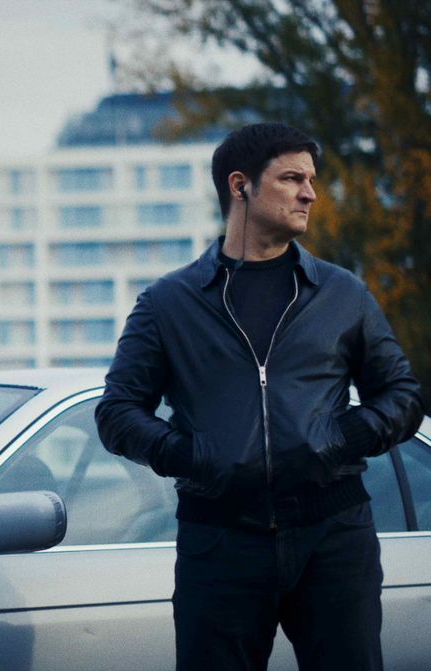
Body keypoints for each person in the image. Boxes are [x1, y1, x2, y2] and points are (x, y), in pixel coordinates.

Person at [94, 122, 424, 671]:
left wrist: (339, 439)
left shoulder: (342, 293)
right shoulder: (169, 303)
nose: (310, 193)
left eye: (312, 180)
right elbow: (117, 412)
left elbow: (402, 395)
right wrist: (195, 456)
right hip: (219, 542)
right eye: (292, 178)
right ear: (241, 185)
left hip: (333, 538)